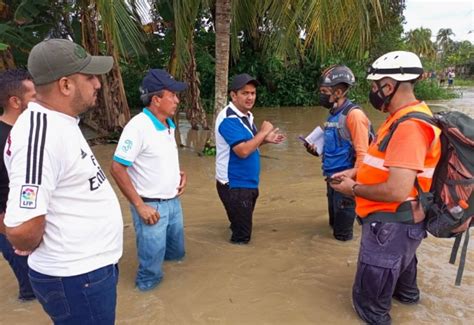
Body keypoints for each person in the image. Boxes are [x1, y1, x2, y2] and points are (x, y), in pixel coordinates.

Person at [4, 39, 123, 324]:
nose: (98, 84)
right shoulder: (40, 137)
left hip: (88, 272)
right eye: (90, 77)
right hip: (76, 278)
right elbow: (21, 229)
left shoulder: (60, 122)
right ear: (66, 85)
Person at [330, 51, 442, 324]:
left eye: (373, 86)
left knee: (370, 309)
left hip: (390, 226)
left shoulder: (410, 127)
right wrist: (356, 171)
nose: (372, 92)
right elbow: (385, 164)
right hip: (403, 226)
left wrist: (353, 189)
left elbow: (396, 189)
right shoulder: (402, 118)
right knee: (405, 295)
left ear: (388, 86)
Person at [110, 69, 188, 292]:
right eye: (172, 95)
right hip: (151, 207)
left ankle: (178, 294)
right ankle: (146, 302)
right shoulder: (138, 127)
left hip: (173, 202)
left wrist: (178, 173)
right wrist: (139, 205)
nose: (176, 100)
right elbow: (117, 168)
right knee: (150, 271)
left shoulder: (168, 125)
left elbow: (156, 158)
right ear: (156, 99)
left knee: (176, 256)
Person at [215, 73, 285, 244]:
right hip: (235, 185)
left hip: (247, 183)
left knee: (240, 227)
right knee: (242, 238)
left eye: (253, 93)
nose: (250, 97)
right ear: (233, 95)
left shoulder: (246, 116)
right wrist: (262, 133)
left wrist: (264, 140)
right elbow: (243, 151)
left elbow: (249, 144)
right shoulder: (229, 119)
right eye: (245, 93)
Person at [305, 65, 372, 241]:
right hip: (332, 180)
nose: (322, 95)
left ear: (339, 91)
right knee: (333, 227)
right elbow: (335, 148)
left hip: (345, 183)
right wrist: (316, 150)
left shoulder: (354, 116)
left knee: (342, 236)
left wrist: (350, 178)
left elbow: (363, 155)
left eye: (325, 91)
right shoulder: (333, 115)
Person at [0, 69, 36, 302]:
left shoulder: (31, 130)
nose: (39, 100)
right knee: (32, 291)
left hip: (36, 224)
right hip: (13, 231)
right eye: (33, 96)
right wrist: (12, 235)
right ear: (15, 101)